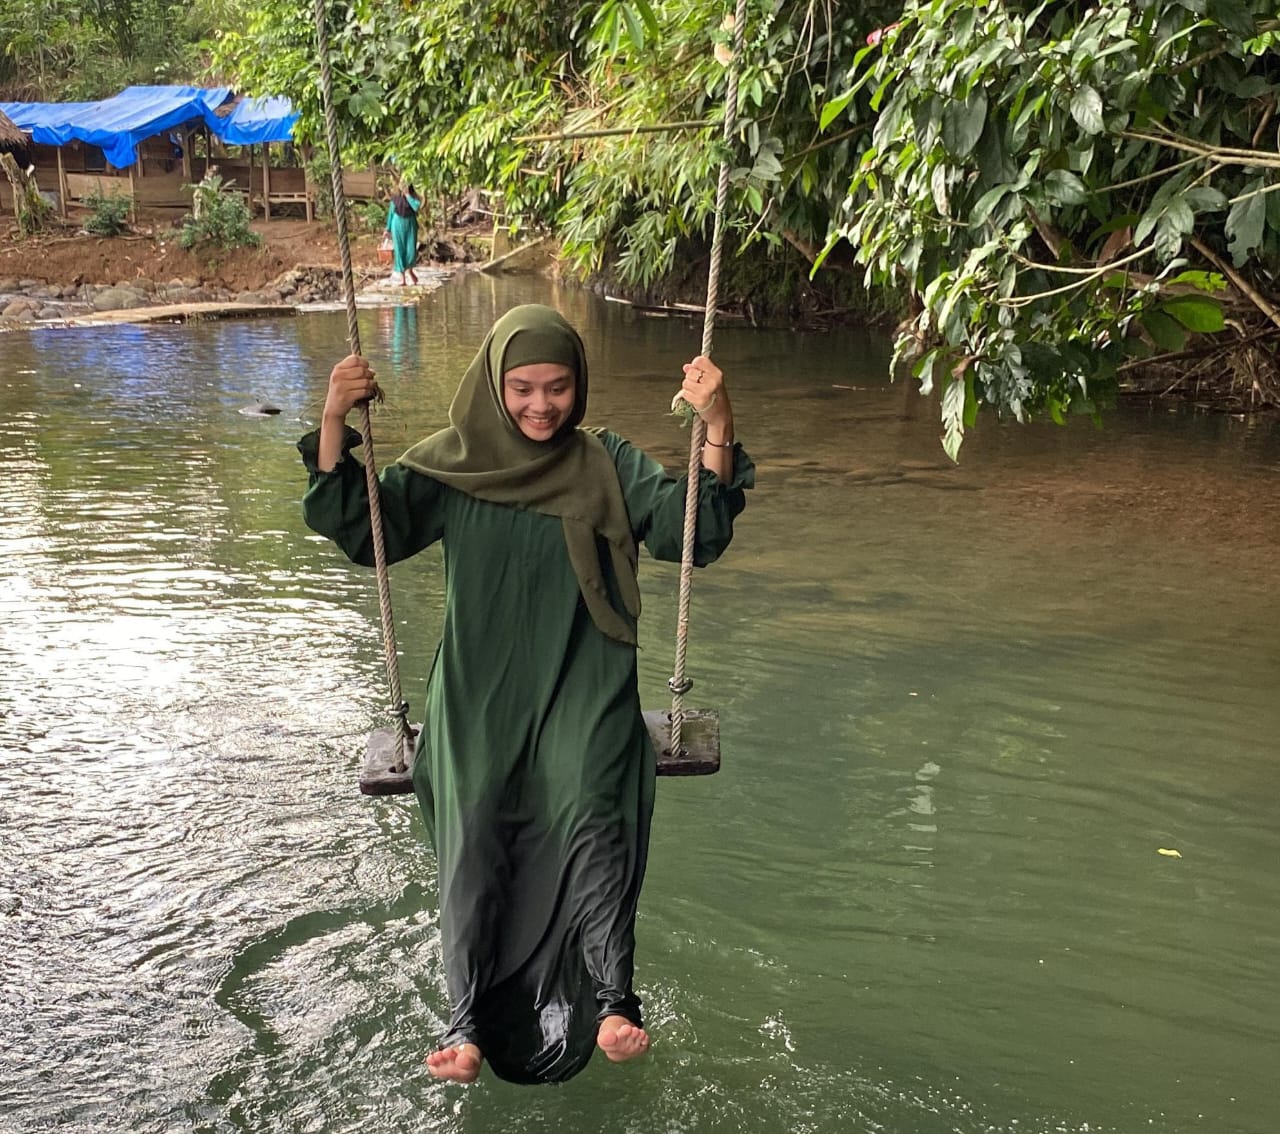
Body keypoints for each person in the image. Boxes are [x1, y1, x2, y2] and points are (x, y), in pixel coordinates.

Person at [298, 303, 753, 1085]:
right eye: (522, 389)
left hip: (584, 677)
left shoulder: (606, 461)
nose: (542, 406)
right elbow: (363, 528)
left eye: (558, 388)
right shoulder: (453, 463)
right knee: (474, 816)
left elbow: (692, 535)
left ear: (579, 386)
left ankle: (614, 1000)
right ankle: (465, 1022)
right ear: (493, 385)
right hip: (480, 690)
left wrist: (717, 422)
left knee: (592, 796)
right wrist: (336, 414)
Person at [385, 179, 422, 285]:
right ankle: (402, 278)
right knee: (399, 249)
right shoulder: (395, 199)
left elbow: (416, 207)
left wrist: (408, 195)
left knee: (411, 250)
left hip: (410, 225)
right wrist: (387, 229)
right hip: (397, 224)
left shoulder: (414, 198)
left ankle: (410, 271)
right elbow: (391, 214)